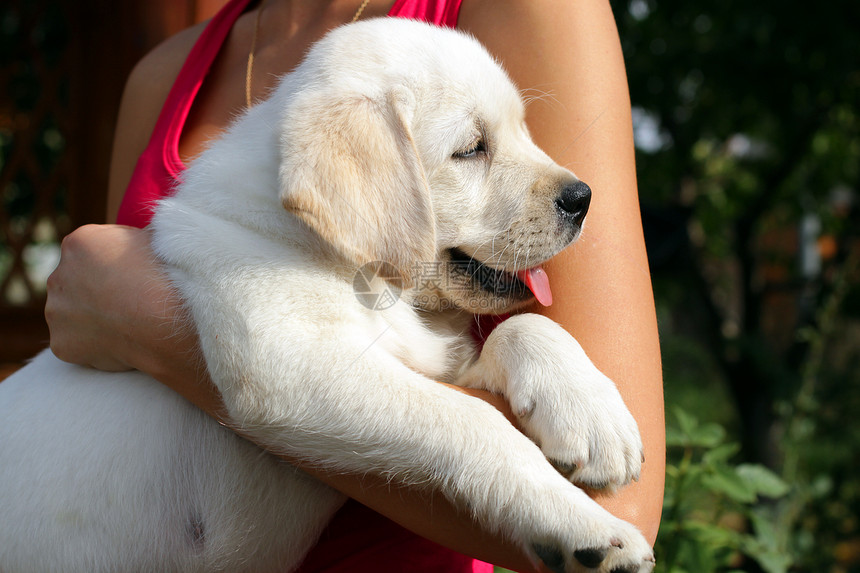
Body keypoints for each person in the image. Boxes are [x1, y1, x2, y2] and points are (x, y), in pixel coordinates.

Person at [45, 0, 665, 571]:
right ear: (363, 192)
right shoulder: (169, 78)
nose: (564, 184)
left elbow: (615, 508)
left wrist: (145, 317)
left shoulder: (521, 14)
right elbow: (288, 380)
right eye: (475, 147)